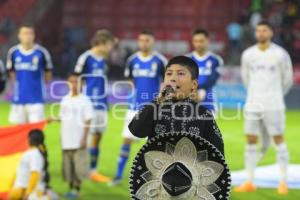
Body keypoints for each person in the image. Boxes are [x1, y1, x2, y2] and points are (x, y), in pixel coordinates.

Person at [234, 21, 293, 195]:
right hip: (253, 103)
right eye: (258, 30)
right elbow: (246, 78)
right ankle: (250, 181)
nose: (260, 33)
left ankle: (283, 182)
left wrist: (275, 94)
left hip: (274, 103)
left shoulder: (280, 54)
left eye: (264, 30)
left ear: (271, 32)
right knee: (251, 140)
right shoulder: (248, 54)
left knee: (278, 139)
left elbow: (287, 79)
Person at [128, 55, 224, 154]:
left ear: (194, 84)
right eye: (169, 74)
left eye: (180, 74)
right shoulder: (156, 108)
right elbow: (136, 131)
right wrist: (158, 100)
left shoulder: (204, 114)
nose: (173, 78)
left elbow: (217, 154)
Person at [110, 30, 167, 185]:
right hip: (133, 108)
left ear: (152, 41)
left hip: (153, 110)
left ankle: (154, 179)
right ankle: (118, 175)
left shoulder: (160, 61)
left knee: (153, 146)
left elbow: (166, 83)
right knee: (126, 140)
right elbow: (131, 82)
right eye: (141, 40)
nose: (144, 43)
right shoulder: (132, 60)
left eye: (147, 40)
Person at [73, 29, 116, 182]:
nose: (111, 48)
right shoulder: (86, 58)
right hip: (88, 104)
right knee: (84, 137)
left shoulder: (104, 60)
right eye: (110, 45)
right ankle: (79, 169)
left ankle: (93, 170)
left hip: (101, 104)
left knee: (98, 136)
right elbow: (75, 79)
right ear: (102, 44)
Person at [50, 74, 93, 199]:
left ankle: (77, 190)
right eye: (71, 82)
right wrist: (53, 119)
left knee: (79, 166)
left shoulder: (85, 100)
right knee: (68, 167)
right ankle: (71, 189)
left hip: (79, 139)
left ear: (81, 84)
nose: (74, 85)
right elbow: (63, 117)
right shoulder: (65, 99)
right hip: (66, 139)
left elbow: (88, 119)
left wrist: (85, 138)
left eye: (76, 82)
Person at [6, 23, 53, 124]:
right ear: (19, 35)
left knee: (35, 130)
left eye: (30, 33)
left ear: (34, 35)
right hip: (19, 98)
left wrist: (37, 86)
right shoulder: (13, 52)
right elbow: (11, 73)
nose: (27, 36)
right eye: (24, 33)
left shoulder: (42, 52)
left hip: (36, 99)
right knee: (19, 132)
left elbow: (48, 74)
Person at [187, 28, 223, 112]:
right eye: (196, 41)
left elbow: (213, 79)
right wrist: (194, 91)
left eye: (201, 41)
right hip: (189, 101)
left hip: (209, 101)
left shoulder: (216, 60)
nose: (198, 44)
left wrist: (202, 89)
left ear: (207, 41)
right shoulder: (186, 59)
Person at [9, 129, 51, 200]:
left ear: (29, 140)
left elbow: (35, 174)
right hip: (22, 191)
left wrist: (28, 193)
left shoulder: (34, 155)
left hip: (28, 192)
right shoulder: (31, 153)